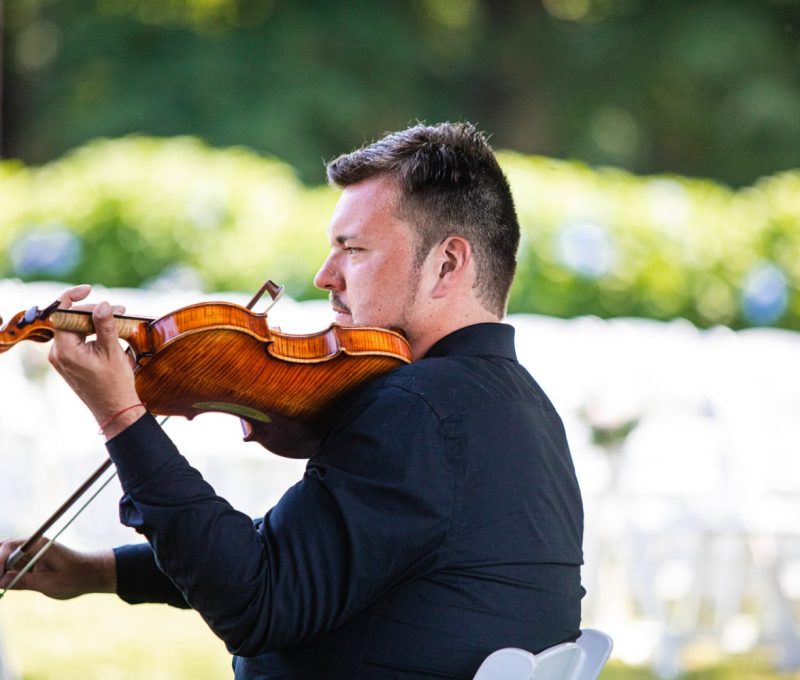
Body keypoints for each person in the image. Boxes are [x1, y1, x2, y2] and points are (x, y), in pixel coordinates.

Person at [0, 122, 584, 679]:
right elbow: (307, 558)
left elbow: (256, 601)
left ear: (447, 264)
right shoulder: (521, 408)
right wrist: (98, 573)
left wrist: (121, 416)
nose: (325, 274)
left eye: (351, 249)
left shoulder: (421, 407)